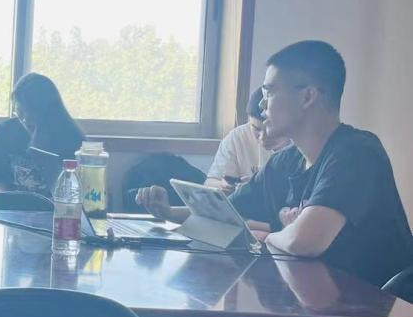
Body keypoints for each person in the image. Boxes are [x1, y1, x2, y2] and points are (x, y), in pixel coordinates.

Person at [138, 41, 413, 287]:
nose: (261, 105)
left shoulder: (357, 152)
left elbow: (304, 242)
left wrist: (267, 235)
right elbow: (223, 215)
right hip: (317, 303)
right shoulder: (285, 163)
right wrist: (168, 212)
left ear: (307, 97)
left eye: (269, 92)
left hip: (380, 314)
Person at [0, 72, 84, 192]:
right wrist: (2, 200)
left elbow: (77, 189)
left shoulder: (72, 138)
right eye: (20, 112)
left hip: (54, 202)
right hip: (10, 203)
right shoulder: (5, 132)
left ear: (49, 110)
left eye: (32, 112)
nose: (26, 119)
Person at [204, 88, 290, 194]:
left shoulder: (301, 144)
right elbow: (209, 183)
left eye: (270, 129)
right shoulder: (237, 137)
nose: (263, 137)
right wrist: (225, 186)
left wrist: (257, 185)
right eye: (256, 129)